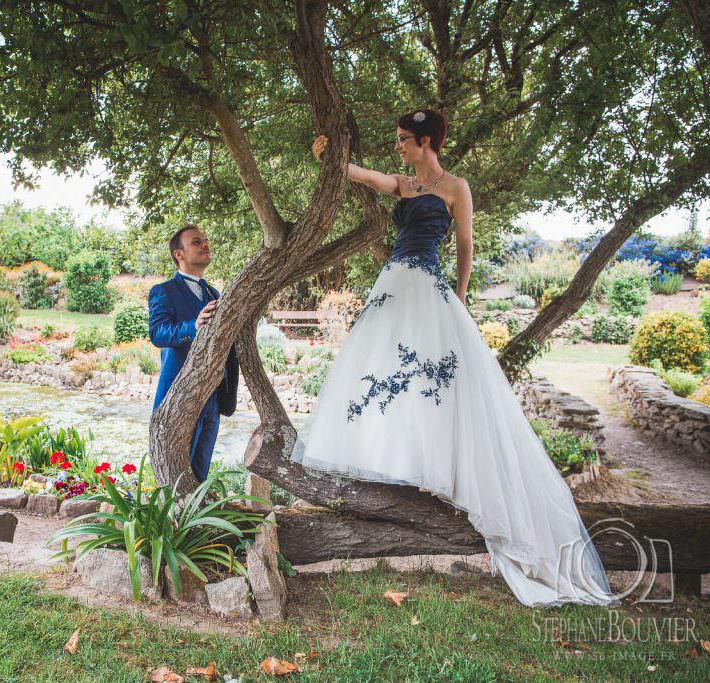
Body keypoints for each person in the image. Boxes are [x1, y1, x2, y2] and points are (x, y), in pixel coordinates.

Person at [294, 109, 617, 607]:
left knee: (439, 382)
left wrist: (460, 298)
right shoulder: (402, 184)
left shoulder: (455, 187)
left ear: (426, 142)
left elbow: (464, 245)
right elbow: (363, 175)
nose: (397, 147)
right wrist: (332, 159)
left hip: (429, 285)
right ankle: (400, 462)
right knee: (383, 373)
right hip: (393, 288)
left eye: (403, 140)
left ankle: (450, 473)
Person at [148, 223, 239, 482]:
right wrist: (194, 326)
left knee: (199, 473)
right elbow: (158, 334)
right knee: (175, 472)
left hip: (214, 396)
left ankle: (196, 521)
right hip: (179, 392)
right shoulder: (163, 291)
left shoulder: (214, 293)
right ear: (179, 254)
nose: (205, 245)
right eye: (196, 242)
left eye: (206, 240)